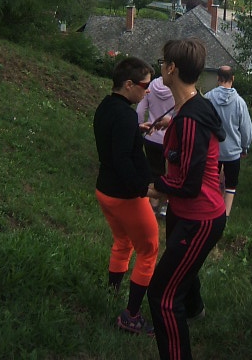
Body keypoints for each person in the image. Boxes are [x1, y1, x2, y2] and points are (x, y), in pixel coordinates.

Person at [147, 38, 226, 360]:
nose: (160, 67)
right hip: (186, 213)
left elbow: (188, 184)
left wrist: (152, 186)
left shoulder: (191, 119)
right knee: (180, 268)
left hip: (200, 218)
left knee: (162, 296)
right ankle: (194, 310)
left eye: (163, 62)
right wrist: (171, 122)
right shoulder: (193, 107)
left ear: (172, 69)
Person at [93, 56, 159, 335]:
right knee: (149, 249)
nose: (148, 90)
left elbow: (114, 142)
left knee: (123, 242)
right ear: (129, 84)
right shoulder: (126, 115)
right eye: (145, 85)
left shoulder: (106, 107)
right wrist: (144, 189)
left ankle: (112, 295)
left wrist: (136, 131)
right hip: (126, 196)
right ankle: (131, 316)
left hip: (105, 191)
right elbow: (122, 159)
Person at [205, 66, 252, 218]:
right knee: (231, 185)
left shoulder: (207, 98)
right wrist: (245, 147)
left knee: (211, 183)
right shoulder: (239, 102)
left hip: (212, 151)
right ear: (233, 79)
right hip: (233, 152)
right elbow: (246, 128)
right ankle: (224, 215)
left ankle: (211, 211)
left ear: (217, 78)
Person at [137, 75, 175, 217]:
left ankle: (153, 206)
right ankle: (166, 205)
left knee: (154, 172)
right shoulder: (176, 87)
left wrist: (140, 127)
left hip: (151, 135)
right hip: (170, 138)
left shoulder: (152, 85)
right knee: (170, 173)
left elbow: (140, 110)